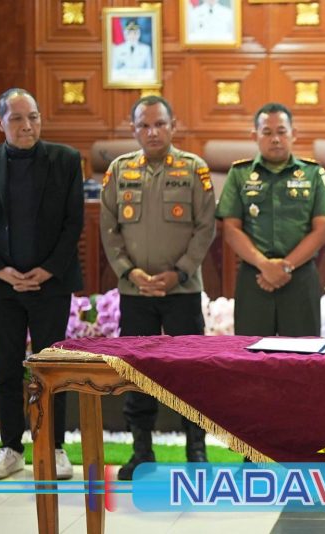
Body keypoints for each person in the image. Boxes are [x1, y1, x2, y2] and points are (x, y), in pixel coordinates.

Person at [100, 95, 216, 480]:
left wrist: (179, 273)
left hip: (182, 291)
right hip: (136, 294)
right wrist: (129, 272)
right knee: (137, 372)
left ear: (173, 125)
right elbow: (109, 229)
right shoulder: (119, 170)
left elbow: (205, 228)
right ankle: (141, 452)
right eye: (144, 125)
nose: (153, 132)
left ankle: (196, 451)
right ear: (133, 129)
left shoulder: (194, 168)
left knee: (191, 373)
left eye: (160, 124)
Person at [0, 88, 83, 480]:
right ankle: (11, 448)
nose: (27, 126)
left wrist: (48, 269)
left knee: (52, 367)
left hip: (50, 284)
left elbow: (74, 222)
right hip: (2, 286)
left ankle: (54, 447)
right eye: (17, 118)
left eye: (33, 117)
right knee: (6, 369)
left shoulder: (65, 160)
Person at [216, 102, 325, 336]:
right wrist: (265, 266)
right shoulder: (239, 174)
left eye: (281, 132)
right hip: (254, 277)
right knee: (249, 352)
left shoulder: (313, 173)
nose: (275, 139)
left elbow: (322, 230)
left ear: (294, 134)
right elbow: (231, 229)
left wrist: (285, 266)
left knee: (302, 353)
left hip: (300, 276)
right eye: (267, 132)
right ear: (254, 136)